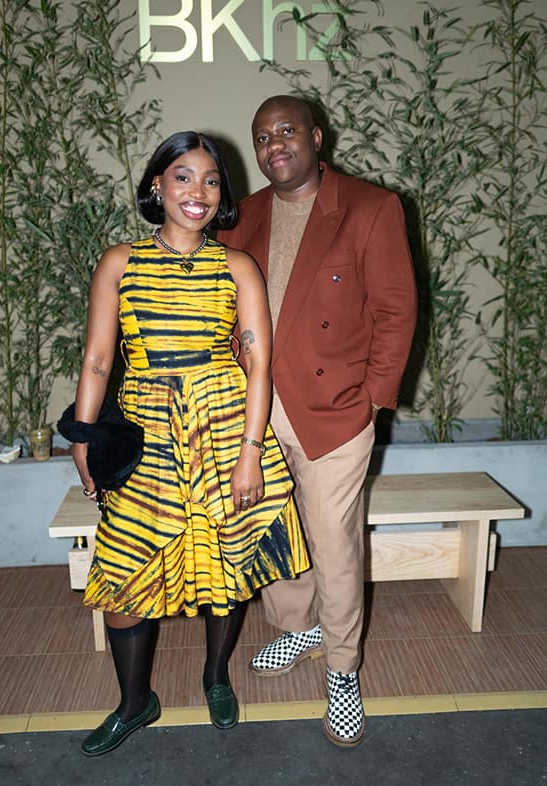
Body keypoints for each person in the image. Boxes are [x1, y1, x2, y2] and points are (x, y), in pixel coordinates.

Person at [70, 130, 309, 757]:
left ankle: (215, 676)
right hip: (144, 432)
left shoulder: (237, 266)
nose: (198, 191)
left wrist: (251, 453)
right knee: (123, 569)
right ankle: (134, 702)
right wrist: (84, 437)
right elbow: (98, 360)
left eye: (211, 180)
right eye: (183, 176)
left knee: (225, 562)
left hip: (223, 425)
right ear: (157, 184)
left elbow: (258, 365)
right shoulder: (119, 262)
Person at [218, 95, 417, 747]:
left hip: (334, 410)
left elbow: (396, 310)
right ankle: (298, 627)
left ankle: (342, 668)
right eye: (262, 137)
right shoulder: (243, 215)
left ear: (317, 137)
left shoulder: (369, 207)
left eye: (286, 131)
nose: (274, 144)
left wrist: (372, 400)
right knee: (276, 531)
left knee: (332, 542)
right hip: (254, 410)